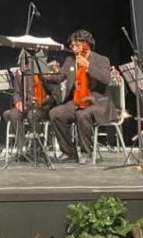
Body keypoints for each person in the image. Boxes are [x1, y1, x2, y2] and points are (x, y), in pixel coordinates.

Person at [48, 30, 114, 162]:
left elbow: (106, 79)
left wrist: (88, 65)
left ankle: (86, 153)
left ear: (87, 44)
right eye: (72, 46)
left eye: (76, 45)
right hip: (77, 100)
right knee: (56, 113)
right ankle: (69, 152)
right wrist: (47, 75)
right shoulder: (70, 60)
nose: (73, 48)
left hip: (97, 101)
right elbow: (60, 77)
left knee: (82, 114)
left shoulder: (102, 59)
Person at [3, 56, 61, 152]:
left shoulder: (45, 70)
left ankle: (35, 148)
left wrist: (43, 100)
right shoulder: (20, 72)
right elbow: (17, 92)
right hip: (26, 104)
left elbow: (54, 93)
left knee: (32, 115)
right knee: (14, 114)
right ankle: (21, 149)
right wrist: (18, 101)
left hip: (42, 105)